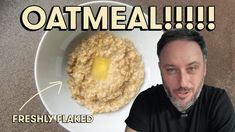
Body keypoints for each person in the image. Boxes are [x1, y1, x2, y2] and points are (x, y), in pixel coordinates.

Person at [125, 29, 235, 132]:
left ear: (204, 68)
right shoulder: (145, 102)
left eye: (191, 68)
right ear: (160, 69)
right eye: (171, 70)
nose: (182, 82)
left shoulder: (217, 102)